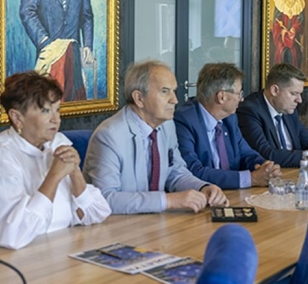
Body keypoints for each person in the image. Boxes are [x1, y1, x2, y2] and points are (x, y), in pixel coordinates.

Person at [0, 72, 110, 250]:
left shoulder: (57, 143)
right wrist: (54, 177)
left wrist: (75, 174)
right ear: (17, 118)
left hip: (55, 248)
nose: (56, 119)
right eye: (45, 111)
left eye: (57, 110)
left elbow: (98, 213)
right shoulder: (0, 156)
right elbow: (11, 236)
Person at [83, 60, 227, 214]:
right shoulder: (109, 136)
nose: (175, 100)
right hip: (116, 225)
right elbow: (104, 199)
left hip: (153, 221)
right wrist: (169, 200)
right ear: (139, 98)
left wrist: (203, 187)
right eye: (165, 91)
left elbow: (175, 172)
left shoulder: (167, 125)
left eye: (173, 91)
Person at [174, 63, 281, 189]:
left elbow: (246, 153)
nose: (241, 99)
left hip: (233, 194)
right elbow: (193, 172)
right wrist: (251, 179)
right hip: (204, 196)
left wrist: (266, 168)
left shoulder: (229, 118)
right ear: (222, 96)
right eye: (239, 93)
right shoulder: (184, 121)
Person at [236, 63, 308, 168]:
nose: (299, 100)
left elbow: (307, 140)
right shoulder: (249, 110)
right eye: (294, 93)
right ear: (274, 90)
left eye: (300, 94)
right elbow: (266, 154)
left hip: (294, 174)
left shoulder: (286, 108)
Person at [271, 0, 305, 68]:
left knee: (294, 53)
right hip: (282, 37)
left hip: (294, 38)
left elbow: (301, 19)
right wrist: (282, 31)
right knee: (282, 52)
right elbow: (276, 19)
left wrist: (294, 29)